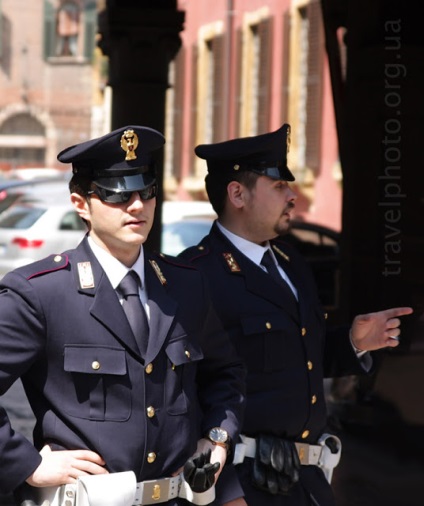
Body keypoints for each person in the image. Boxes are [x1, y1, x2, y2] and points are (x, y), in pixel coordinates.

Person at [0, 125, 246, 506]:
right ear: (81, 203)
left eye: (146, 191)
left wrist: (217, 436)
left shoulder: (185, 285)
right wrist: (25, 464)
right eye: (117, 193)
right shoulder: (40, 292)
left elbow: (224, 375)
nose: (136, 205)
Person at [179, 124, 413, 506]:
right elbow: (184, 395)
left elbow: (301, 360)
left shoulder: (291, 263)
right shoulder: (198, 275)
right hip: (243, 483)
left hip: (304, 480)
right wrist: (224, 493)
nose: (292, 196)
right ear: (237, 194)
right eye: (278, 187)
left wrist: (353, 342)